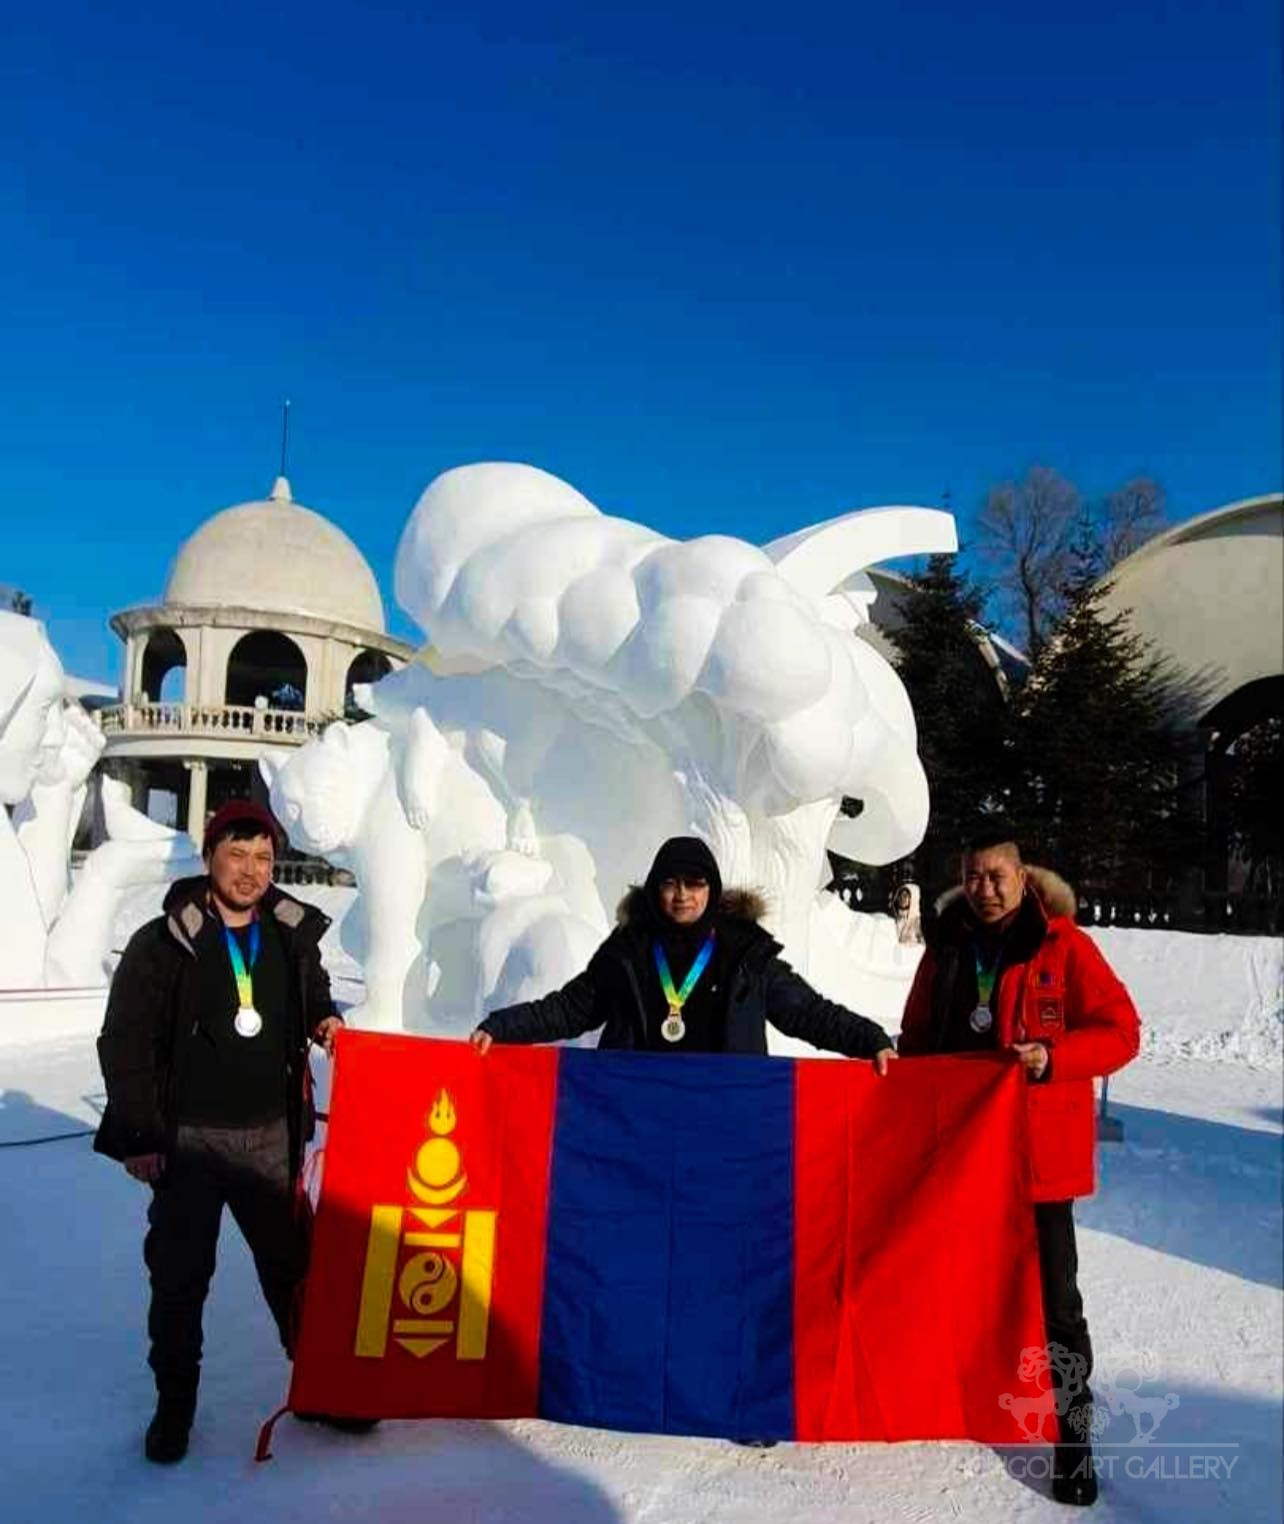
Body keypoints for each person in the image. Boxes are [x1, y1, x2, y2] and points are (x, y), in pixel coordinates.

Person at [94, 799, 348, 1464]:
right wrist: (142, 1135)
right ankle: (173, 1409)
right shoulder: (165, 941)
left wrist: (325, 1021)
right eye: (236, 854)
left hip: (269, 1139)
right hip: (188, 1144)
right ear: (210, 858)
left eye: (263, 857)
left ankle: (320, 1389)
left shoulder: (291, 934)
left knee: (296, 1273)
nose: (251, 870)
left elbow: (314, 994)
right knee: (180, 1282)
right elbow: (124, 1043)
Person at [898, 827, 1140, 1508]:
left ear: (1023, 873)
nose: (986, 888)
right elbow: (917, 1037)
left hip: (1036, 1162)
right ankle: (955, 1404)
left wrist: (1054, 1058)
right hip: (957, 1156)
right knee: (952, 1289)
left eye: (998, 874)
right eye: (974, 875)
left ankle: (1073, 1440)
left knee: (1056, 1306)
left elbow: (1122, 1030)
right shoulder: (945, 944)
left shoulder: (1064, 944)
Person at [471, 835, 895, 1068]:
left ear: (711, 890)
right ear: (656, 888)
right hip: (637, 1120)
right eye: (671, 884)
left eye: (695, 884)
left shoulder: (746, 954)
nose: (682, 896)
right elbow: (569, 1008)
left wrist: (869, 1039)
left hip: (722, 1122)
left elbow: (808, 1012)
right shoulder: (628, 951)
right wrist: (502, 1027)